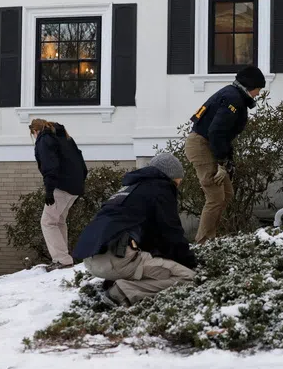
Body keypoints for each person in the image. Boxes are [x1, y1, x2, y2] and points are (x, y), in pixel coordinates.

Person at [72, 153, 198, 307]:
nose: (178, 186)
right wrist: (189, 262)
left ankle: (116, 281)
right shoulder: (161, 189)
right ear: (170, 176)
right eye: (178, 181)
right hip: (118, 260)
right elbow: (171, 232)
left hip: (92, 260)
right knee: (188, 277)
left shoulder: (131, 189)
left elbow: (149, 235)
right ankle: (121, 291)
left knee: (157, 263)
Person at [185, 65, 265, 243]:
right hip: (201, 145)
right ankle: (204, 242)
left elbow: (224, 136)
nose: (258, 94)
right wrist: (222, 163)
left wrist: (229, 162)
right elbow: (217, 133)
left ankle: (211, 236)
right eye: (258, 89)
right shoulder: (232, 99)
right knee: (215, 197)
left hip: (209, 144)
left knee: (226, 194)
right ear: (250, 86)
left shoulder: (234, 96)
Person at [31, 118, 88, 270]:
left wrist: (49, 190)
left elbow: (50, 165)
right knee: (59, 221)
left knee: (48, 222)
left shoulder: (45, 140)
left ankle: (62, 260)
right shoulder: (66, 138)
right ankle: (64, 259)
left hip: (60, 186)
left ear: (35, 131)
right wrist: (79, 187)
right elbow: (81, 163)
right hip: (74, 186)